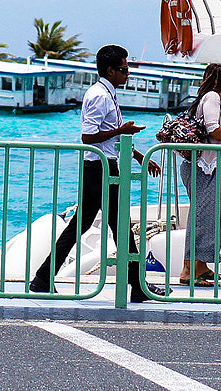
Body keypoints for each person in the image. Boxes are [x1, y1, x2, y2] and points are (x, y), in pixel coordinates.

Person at [29, 45, 165, 301]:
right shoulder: (99, 96)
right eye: (124, 70)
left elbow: (110, 135)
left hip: (102, 165)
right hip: (99, 168)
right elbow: (88, 136)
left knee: (85, 225)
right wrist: (121, 131)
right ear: (111, 70)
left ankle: (43, 278)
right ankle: (137, 286)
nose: (128, 74)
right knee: (119, 224)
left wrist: (136, 156)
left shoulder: (108, 93)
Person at [177, 63, 221, 286]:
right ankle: (189, 269)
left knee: (209, 216)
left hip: (209, 163)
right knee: (203, 216)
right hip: (206, 167)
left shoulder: (205, 98)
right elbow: (212, 128)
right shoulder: (212, 98)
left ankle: (201, 265)